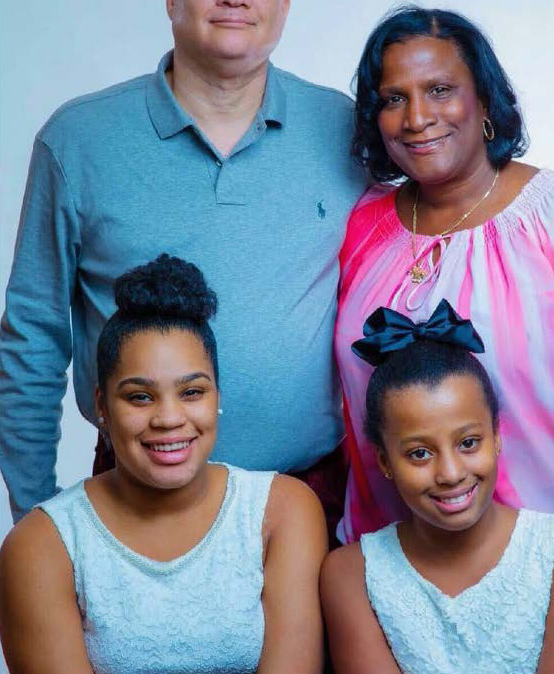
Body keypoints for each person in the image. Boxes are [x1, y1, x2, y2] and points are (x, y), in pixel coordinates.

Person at [0, 0, 366, 532]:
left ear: (284, 4)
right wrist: (36, 516)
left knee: (310, 637)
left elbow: (429, 221)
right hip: (134, 492)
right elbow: (32, 339)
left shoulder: (344, 129)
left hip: (311, 496)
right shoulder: (78, 140)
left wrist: (517, 182)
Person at [334, 6, 554, 658]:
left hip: (550, 577)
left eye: (440, 90)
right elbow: (356, 414)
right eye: (393, 99)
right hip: (402, 583)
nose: (416, 117)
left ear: (484, 101)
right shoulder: (367, 223)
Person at [0, 254, 328, 674]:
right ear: (102, 405)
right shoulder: (42, 544)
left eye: (192, 392)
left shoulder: (282, 511)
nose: (169, 419)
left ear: (218, 396)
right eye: (140, 396)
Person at [322, 301, 554, 673]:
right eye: (420, 453)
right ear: (384, 462)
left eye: (469, 443)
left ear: (496, 436)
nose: (451, 472)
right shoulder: (350, 575)